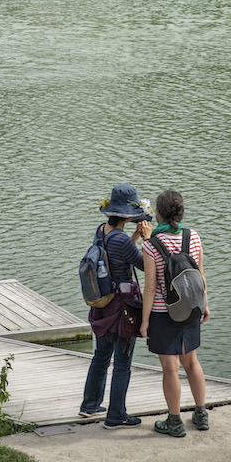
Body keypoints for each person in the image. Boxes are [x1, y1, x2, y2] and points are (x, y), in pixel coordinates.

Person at [79, 183, 153, 428]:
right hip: (121, 310)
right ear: (129, 216)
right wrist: (147, 238)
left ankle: (89, 405)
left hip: (102, 305)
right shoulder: (123, 241)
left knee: (101, 356)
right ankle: (115, 415)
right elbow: (145, 264)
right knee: (122, 362)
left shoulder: (101, 231)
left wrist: (133, 234)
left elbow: (117, 249)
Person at [140, 189, 210, 438]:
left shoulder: (150, 245)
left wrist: (145, 320)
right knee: (191, 362)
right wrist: (205, 304)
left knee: (170, 367)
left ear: (158, 213)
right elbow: (200, 275)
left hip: (163, 312)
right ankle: (201, 415)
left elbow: (150, 286)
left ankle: (174, 421)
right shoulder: (193, 237)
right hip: (192, 306)